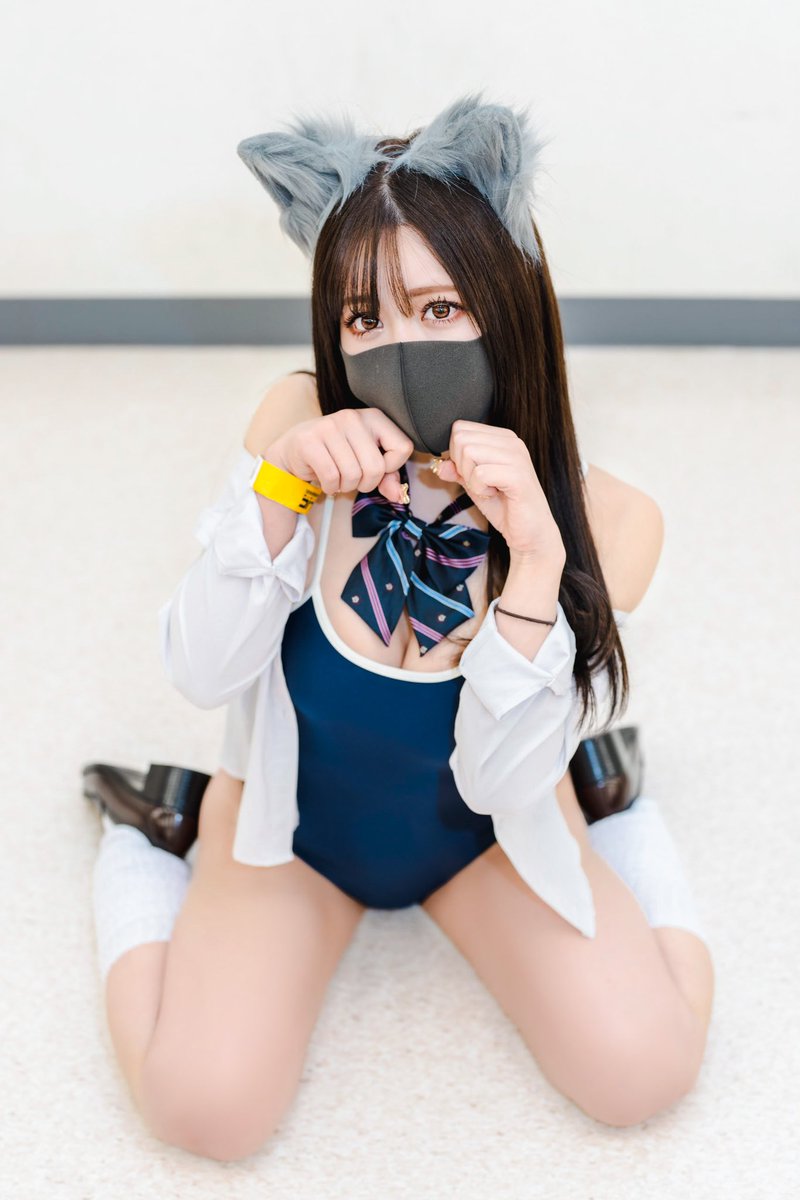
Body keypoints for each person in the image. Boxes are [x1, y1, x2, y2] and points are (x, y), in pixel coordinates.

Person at [89, 92, 715, 1162]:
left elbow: (499, 784)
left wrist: (535, 567)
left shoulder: (609, 519)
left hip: (492, 831)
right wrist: (279, 492)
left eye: (438, 308)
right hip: (296, 829)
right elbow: (200, 671)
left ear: (506, 306)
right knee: (202, 1109)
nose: (396, 347)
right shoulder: (300, 423)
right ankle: (149, 831)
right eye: (362, 318)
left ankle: (614, 799)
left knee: (643, 1069)